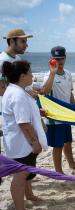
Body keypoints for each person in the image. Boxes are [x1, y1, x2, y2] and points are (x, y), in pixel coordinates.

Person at [2, 60, 48, 210]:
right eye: (30, 73)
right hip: (22, 142)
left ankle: (30, 195)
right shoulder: (17, 94)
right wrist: (34, 142)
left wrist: (36, 112)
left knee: (27, 170)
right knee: (20, 176)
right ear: (22, 76)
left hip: (19, 141)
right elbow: (23, 122)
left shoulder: (16, 90)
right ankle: (19, 207)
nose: (32, 75)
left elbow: (22, 113)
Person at [41, 46, 75, 173]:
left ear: (65, 57)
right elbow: (44, 92)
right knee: (58, 146)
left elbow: (70, 93)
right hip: (54, 117)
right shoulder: (48, 75)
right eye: (57, 59)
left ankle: (72, 164)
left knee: (68, 141)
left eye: (62, 58)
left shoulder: (68, 74)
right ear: (52, 59)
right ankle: (59, 171)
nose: (60, 61)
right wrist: (52, 73)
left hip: (67, 115)